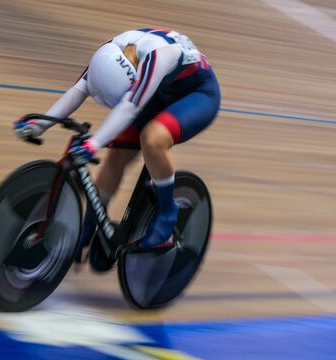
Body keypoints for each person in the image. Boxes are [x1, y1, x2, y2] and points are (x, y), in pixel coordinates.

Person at [14, 27, 221, 252]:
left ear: (131, 83)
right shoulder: (107, 54)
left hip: (196, 95)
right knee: (117, 156)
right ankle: (91, 225)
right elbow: (77, 90)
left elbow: (129, 106)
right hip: (155, 89)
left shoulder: (159, 56)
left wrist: (92, 145)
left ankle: (167, 212)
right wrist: (39, 125)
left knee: (152, 139)